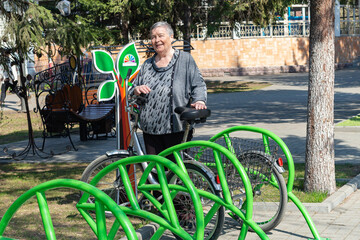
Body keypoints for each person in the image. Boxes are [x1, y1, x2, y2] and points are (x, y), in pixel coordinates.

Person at [131, 21, 207, 157]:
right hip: (150, 130)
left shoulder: (185, 60)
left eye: (160, 35)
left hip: (176, 127)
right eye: (153, 37)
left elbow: (199, 84)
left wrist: (200, 100)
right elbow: (133, 89)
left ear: (171, 37)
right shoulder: (147, 65)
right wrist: (136, 89)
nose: (156, 40)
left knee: (177, 172)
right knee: (155, 172)